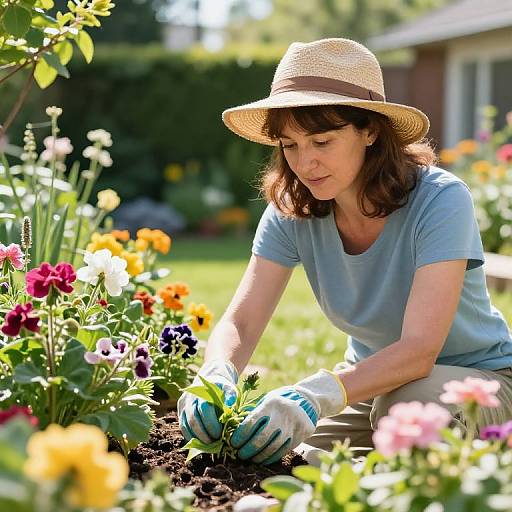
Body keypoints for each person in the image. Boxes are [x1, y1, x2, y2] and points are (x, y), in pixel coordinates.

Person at [178, 38, 512, 465]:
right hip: (374, 385)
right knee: (275, 457)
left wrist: (316, 393)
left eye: (321, 142)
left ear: (370, 130)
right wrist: (216, 372)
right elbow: (241, 322)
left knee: (404, 416)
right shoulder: (291, 209)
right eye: (289, 145)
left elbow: (420, 349)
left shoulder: (440, 200)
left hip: (477, 383)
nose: (304, 163)